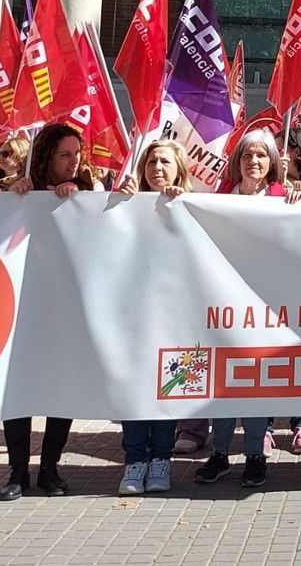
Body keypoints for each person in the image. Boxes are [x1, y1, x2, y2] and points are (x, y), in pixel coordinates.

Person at [0, 124, 94, 501]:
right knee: (17, 391)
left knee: (60, 389)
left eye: (77, 154)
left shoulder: (85, 193)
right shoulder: (19, 193)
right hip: (21, 307)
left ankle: (50, 469)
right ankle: (17, 472)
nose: (73, 163)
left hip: (64, 308)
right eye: (64, 155)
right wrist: (14, 197)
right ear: (45, 157)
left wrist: (78, 200)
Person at [192, 130, 290, 488]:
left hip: (263, 310)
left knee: (254, 385)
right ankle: (219, 454)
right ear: (237, 160)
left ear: (273, 163)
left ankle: (254, 455)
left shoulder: (283, 199)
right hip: (221, 306)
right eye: (248, 154)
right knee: (223, 384)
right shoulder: (219, 199)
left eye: (262, 155)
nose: (254, 161)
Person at [110, 140, 195, 495]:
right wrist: (120, 201)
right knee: (134, 390)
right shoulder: (127, 204)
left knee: (168, 390)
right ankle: (134, 462)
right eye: (151, 162)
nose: (157, 168)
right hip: (133, 318)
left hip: (177, 318)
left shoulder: (193, 206)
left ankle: (161, 460)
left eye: (165, 162)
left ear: (179, 169)